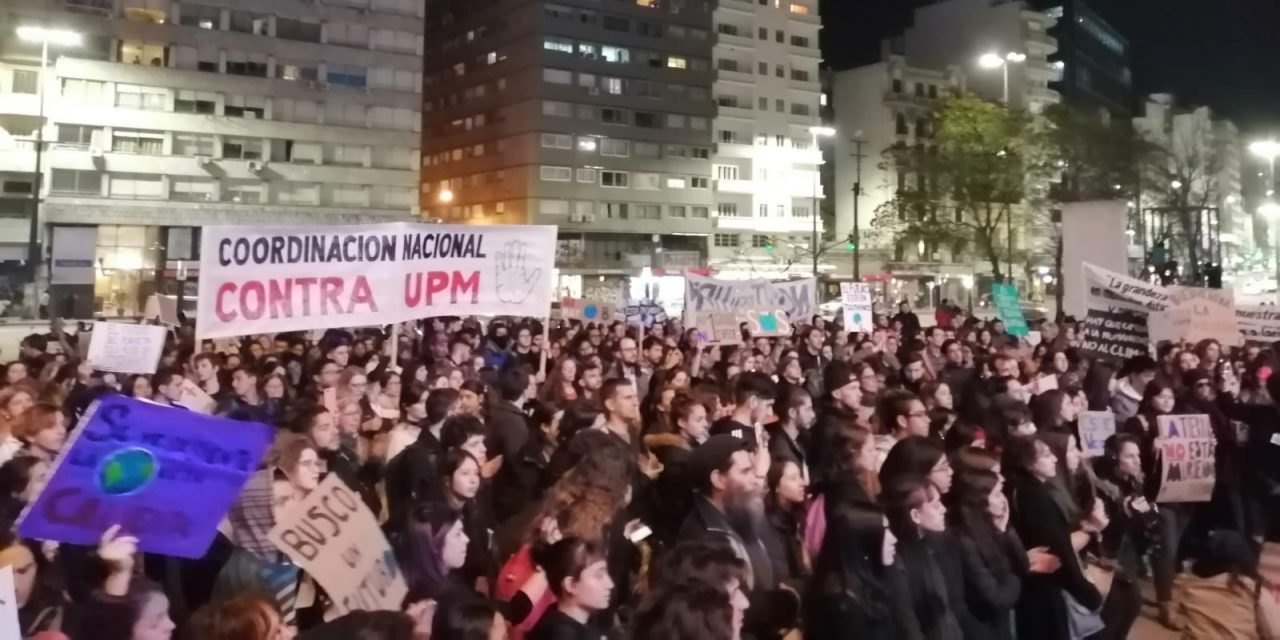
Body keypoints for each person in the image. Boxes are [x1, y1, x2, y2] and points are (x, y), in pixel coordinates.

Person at [678, 435, 798, 638]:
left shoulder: (739, 512)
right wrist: (782, 604)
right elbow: (718, 606)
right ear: (718, 479)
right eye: (745, 471)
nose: (755, 479)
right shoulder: (704, 537)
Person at [1003, 436, 1102, 640]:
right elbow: (1059, 550)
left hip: (1033, 589)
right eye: (1046, 455)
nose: (1055, 460)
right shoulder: (1035, 497)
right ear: (1029, 463)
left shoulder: (1020, 489)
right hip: (1045, 590)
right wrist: (1087, 593)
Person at [882, 477, 963, 640]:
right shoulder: (899, 562)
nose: (943, 510)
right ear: (915, 515)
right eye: (935, 505)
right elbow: (908, 627)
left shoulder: (926, 547)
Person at [805, 502, 899, 640]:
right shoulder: (843, 603)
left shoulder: (863, 580)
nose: (893, 539)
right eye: (883, 531)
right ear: (862, 540)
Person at [528, 537, 614, 640]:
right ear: (571, 585)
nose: (610, 584)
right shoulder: (559, 635)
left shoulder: (588, 621)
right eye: (599, 576)